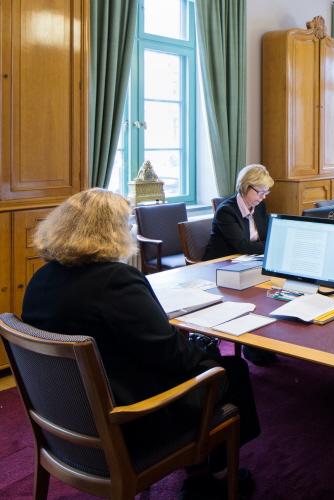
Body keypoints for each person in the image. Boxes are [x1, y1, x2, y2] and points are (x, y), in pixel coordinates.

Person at [22, 188, 260, 485]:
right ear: (113, 231)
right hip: (128, 419)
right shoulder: (115, 280)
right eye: (127, 223)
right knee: (231, 370)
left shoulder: (40, 278)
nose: (131, 230)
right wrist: (207, 353)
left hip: (67, 416)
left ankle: (206, 463)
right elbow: (173, 356)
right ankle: (218, 475)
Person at [203, 165, 278, 367]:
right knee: (258, 293)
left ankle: (260, 342)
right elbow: (242, 245)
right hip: (220, 267)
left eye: (266, 192)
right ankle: (253, 344)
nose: (263, 197)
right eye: (260, 192)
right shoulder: (226, 210)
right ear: (245, 187)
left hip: (246, 262)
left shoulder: (259, 206)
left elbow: (266, 234)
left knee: (272, 291)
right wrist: (274, 245)